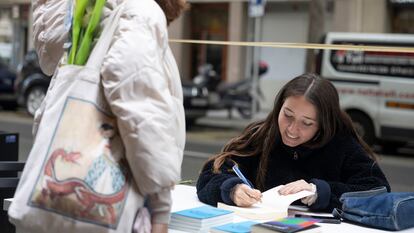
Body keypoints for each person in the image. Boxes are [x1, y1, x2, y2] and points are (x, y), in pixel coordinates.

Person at [32, 0, 187, 232]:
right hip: (121, 197)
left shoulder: (83, 13)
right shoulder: (138, 12)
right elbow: (141, 112)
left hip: (62, 190)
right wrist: (161, 207)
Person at [196, 73, 390, 212]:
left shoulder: (342, 145)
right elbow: (210, 175)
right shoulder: (262, 134)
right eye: (287, 115)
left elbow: (378, 192)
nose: (291, 129)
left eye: (306, 123)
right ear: (279, 107)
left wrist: (319, 191)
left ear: (324, 124)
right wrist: (231, 189)